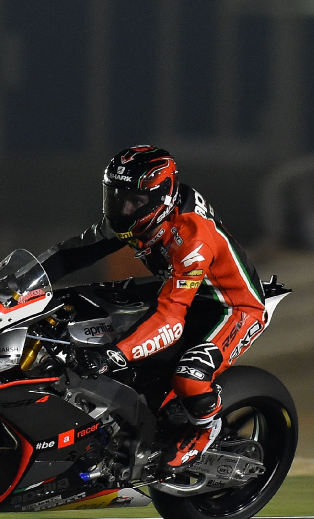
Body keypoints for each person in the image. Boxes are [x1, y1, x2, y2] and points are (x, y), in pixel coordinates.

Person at [39, 145, 267, 468]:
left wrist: (110, 356)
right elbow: (73, 253)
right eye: (116, 196)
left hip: (232, 308)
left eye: (134, 201)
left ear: (162, 198)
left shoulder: (192, 239)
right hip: (183, 289)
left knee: (190, 376)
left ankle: (205, 431)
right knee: (93, 305)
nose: (123, 208)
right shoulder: (143, 215)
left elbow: (170, 321)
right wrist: (26, 278)